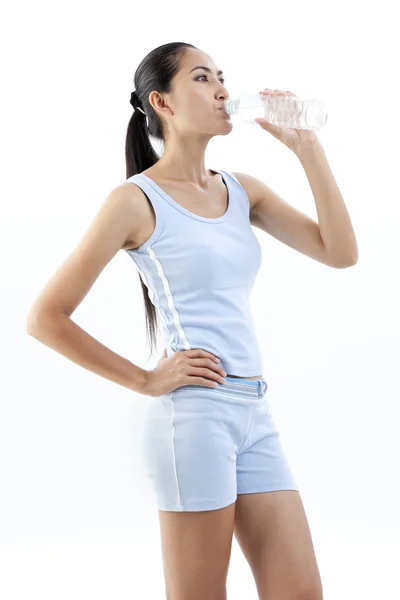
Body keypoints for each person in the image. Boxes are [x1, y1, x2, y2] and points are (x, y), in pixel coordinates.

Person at [26, 41, 358, 600]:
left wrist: (308, 149)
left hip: (256, 412)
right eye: (202, 78)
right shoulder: (135, 200)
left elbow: (340, 252)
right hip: (196, 419)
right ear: (162, 102)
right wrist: (147, 380)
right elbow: (45, 317)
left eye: (223, 76)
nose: (224, 90)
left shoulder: (241, 190)